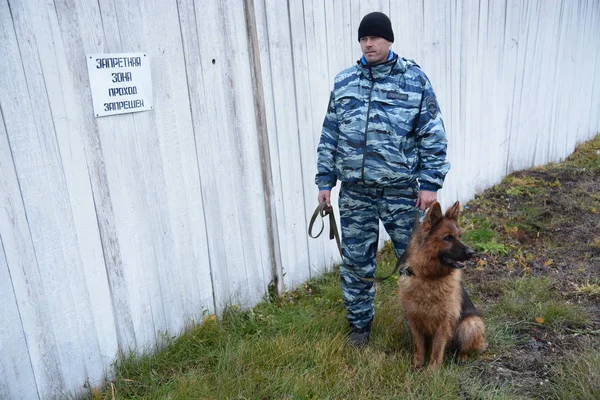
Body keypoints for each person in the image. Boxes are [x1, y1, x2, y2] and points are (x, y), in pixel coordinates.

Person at [315, 11, 450, 346]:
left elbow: (432, 134)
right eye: (363, 38)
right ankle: (359, 327)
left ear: (388, 40)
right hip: (355, 193)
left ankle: (423, 330)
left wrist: (430, 183)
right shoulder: (344, 82)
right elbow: (330, 135)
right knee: (356, 263)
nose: (368, 44)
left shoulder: (413, 80)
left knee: (416, 263)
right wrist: (324, 182)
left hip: (401, 192)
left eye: (374, 37)